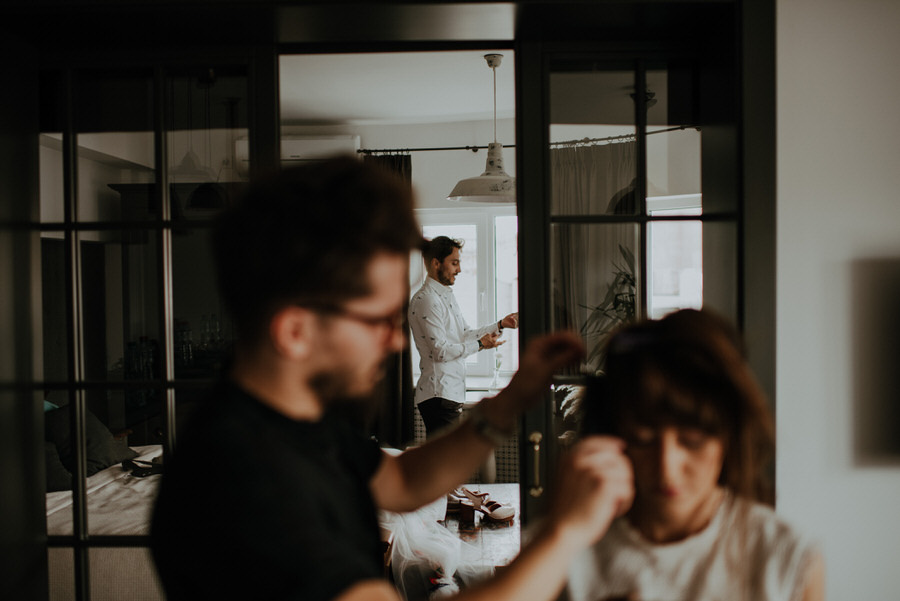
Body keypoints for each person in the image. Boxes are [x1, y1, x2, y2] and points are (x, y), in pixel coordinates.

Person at [150, 156, 634, 601]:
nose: (397, 341)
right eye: (377, 320)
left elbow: (403, 480)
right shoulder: (244, 485)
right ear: (295, 331)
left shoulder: (294, 419)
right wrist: (567, 532)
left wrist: (510, 400)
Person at [566, 308, 824, 601]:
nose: (667, 469)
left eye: (693, 442)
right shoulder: (565, 549)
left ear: (729, 435)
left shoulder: (787, 559)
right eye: (643, 440)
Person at [409, 235, 519, 437]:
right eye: (454, 263)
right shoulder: (427, 300)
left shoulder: (445, 295)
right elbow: (441, 351)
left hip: (449, 394)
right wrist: (480, 344)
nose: (459, 269)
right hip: (438, 395)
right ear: (436, 263)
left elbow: (465, 334)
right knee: (447, 457)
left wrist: (500, 324)